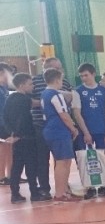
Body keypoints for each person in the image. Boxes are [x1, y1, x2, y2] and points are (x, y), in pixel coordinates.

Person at [30, 57, 72, 199]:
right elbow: (63, 113)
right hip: (48, 126)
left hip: (54, 127)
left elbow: (70, 97)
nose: (59, 71)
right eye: (56, 69)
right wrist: (73, 128)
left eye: (60, 68)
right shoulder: (47, 89)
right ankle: (52, 191)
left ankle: (63, 188)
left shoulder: (56, 88)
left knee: (62, 159)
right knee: (50, 159)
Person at [72, 63, 105, 198]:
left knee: (103, 158)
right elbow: (77, 113)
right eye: (81, 76)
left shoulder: (104, 91)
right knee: (87, 159)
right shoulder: (77, 91)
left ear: (93, 74)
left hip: (101, 130)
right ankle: (89, 187)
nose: (84, 78)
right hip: (86, 132)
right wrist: (86, 133)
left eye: (86, 75)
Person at [4, 73, 48, 202]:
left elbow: (5, 117)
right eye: (30, 84)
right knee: (31, 166)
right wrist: (19, 134)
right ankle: (34, 193)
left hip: (16, 137)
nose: (33, 86)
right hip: (26, 137)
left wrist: (12, 133)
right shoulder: (23, 100)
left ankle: (15, 194)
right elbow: (22, 119)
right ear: (22, 85)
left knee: (17, 166)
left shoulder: (10, 98)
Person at [40, 67, 80, 202]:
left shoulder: (44, 93)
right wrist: (73, 128)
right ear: (57, 80)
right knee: (62, 162)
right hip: (58, 130)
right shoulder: (55, 95)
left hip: (51, 130)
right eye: (61, 80)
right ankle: (60, 193)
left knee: (64, 161)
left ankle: (64, 191)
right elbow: (63, 114)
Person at [0, 63, 13, 186]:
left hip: (6, 122)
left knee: (9, 148)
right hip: (1, 123)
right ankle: (1, 176)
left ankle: (11, 175)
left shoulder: (4, 88)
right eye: (8, 74)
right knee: (2, 149)